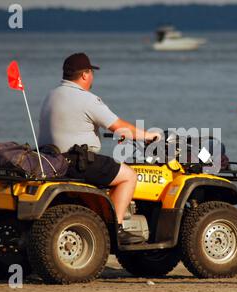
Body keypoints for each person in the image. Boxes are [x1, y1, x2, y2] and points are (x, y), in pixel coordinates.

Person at [39, 52, 160, 245]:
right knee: (129, 175)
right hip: (76, 162)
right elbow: (119, 125)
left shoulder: (51, 95)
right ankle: (116, 228)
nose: (92, 77)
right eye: (91, 73)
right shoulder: (87, 99)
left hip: (51, 160)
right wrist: (150, 135)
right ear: (85, 75)